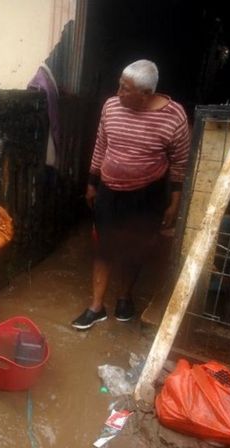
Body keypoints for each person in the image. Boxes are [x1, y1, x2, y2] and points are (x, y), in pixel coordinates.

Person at [72, 59, 191, 330]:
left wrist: (174, 201)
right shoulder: (111, 106)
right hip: (109, 192)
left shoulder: (174, 116)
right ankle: (96, 306)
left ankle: (124, 297)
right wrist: (92, 182)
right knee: (103, 247)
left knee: (134, 249)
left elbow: (180, 162)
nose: (119, 93)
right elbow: (101, 145)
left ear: (146, 94)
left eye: (126, 89)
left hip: (147, 196)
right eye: (120, 85)